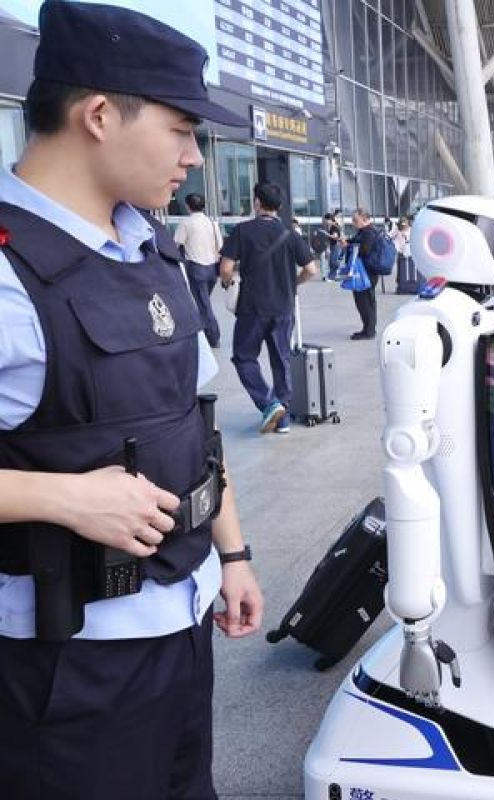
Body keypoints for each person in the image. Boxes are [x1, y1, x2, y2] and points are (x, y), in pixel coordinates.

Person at [0, 4, 264, 796]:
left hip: (184, 627)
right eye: (181, 129)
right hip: (65, 668)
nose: (193, 156)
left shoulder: (150, 250)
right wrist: (63, 498)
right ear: (99, 115)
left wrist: (233, 554)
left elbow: (192, 424)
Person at [219, 182, 318, 433]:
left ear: (257, 202)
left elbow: (226, 268)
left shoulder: (242, 231)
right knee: (281, 360)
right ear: (280, 206)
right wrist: (293, 284)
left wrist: (228, 283)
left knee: (244, 357)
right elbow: (311, 270)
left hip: (252, 308)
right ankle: (282, 420)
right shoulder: (290, 233)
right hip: (283, 307)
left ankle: (268, 403)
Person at [175, 192, 224, 348]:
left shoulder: (186, 223)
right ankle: (204, 331)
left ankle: (213, 336)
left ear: (188, 206)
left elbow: (176, 243)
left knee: (203, 305)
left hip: (196, 268)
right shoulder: (212, 223)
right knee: (204, 302)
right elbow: (220, 246)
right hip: (212, 269)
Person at [343, 207, 382, 340]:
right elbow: (356, 243)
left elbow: (365, 250)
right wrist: (348, 242)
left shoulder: (368, 232)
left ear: (364, 219)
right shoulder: (363, 232)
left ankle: (369, 331)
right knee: (362, 302)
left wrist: (348, 246)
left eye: (355, 220)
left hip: (367, 273)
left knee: (366, 302)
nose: (353, 222)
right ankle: (367, 328)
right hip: (363, 272)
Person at [392, 215, 414, 294]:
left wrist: (406, 238)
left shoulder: (411, 230)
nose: (403, 225)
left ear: (408, 223)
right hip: (400, 252)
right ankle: (400, 284)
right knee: (400, 270)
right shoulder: (397, 230)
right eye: (402, 223)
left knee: (408, 269)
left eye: (405, 223)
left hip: (409, 252)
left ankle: (408, 284)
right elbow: (390, 236)